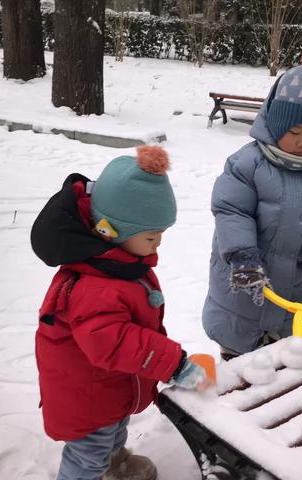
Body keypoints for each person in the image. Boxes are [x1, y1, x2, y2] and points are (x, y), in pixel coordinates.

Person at [31, 145, 207, 480]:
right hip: (87, 396)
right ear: (111, 231)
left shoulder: (117, 264)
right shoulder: (93, 285)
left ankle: (116, 466)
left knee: (113, 434)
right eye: (152, 236)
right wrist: (173, 362)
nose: (158, 244)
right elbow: (113, 342)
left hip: (109, 388)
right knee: (88, 457)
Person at [202, 65, 302, 361]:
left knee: (289, 362)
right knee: (239, 365)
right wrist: (242, 255)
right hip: (244, 287)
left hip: (296, 291)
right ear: (275, 124)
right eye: (295, 131)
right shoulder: (247, 164)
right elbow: (232, 211)